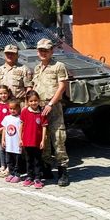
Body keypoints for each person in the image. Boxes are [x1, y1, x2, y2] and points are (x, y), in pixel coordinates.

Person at [32, 38, 69, 186]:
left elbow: (62, 87)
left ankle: (63, 171)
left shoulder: (58, 66)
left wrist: (51, 103)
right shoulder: (37, 68)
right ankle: (47, 168)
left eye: (46, 50)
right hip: (40, 107)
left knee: (58, 138)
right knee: (44, 139)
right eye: (41, 50)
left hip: (53, 107)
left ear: (52, 51)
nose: (43, 53)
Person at [20, 91, 48, 189]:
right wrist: (20, 139)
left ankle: (37, 178)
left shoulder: (42, 112)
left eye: (35, 100)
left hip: (37, 142)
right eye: (31, 101)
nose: (33, 103)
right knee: (28, 160)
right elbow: (21, 126)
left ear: (39, 100)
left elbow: (44, 127)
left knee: (37, 161)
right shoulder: (24, 111)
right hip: (27, 141)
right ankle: (29, 177)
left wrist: (43, 141)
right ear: (27, 102)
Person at [0, 85, 12, 177]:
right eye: (1, 93)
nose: (3, 95)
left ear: (8, 94)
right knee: (1, 149)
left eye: (5, 93)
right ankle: (2, 165)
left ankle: (9, 167)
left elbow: (10, 120)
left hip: (7, 132)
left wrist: (2, 128)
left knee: (8, 148)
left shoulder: (10, 106)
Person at [2, 100, 22, 184]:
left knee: (17, 160)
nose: (12, 110)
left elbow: (21, 130)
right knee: (9, 160)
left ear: (18, 108)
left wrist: (21, 140)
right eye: (10, 108)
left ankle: (17, 174)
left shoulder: (20, 118)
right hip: (9, 144)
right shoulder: (7, 118)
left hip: (16, 144)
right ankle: (11, 173)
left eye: (14, 108)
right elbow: (4, 129)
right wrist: (3, 139)